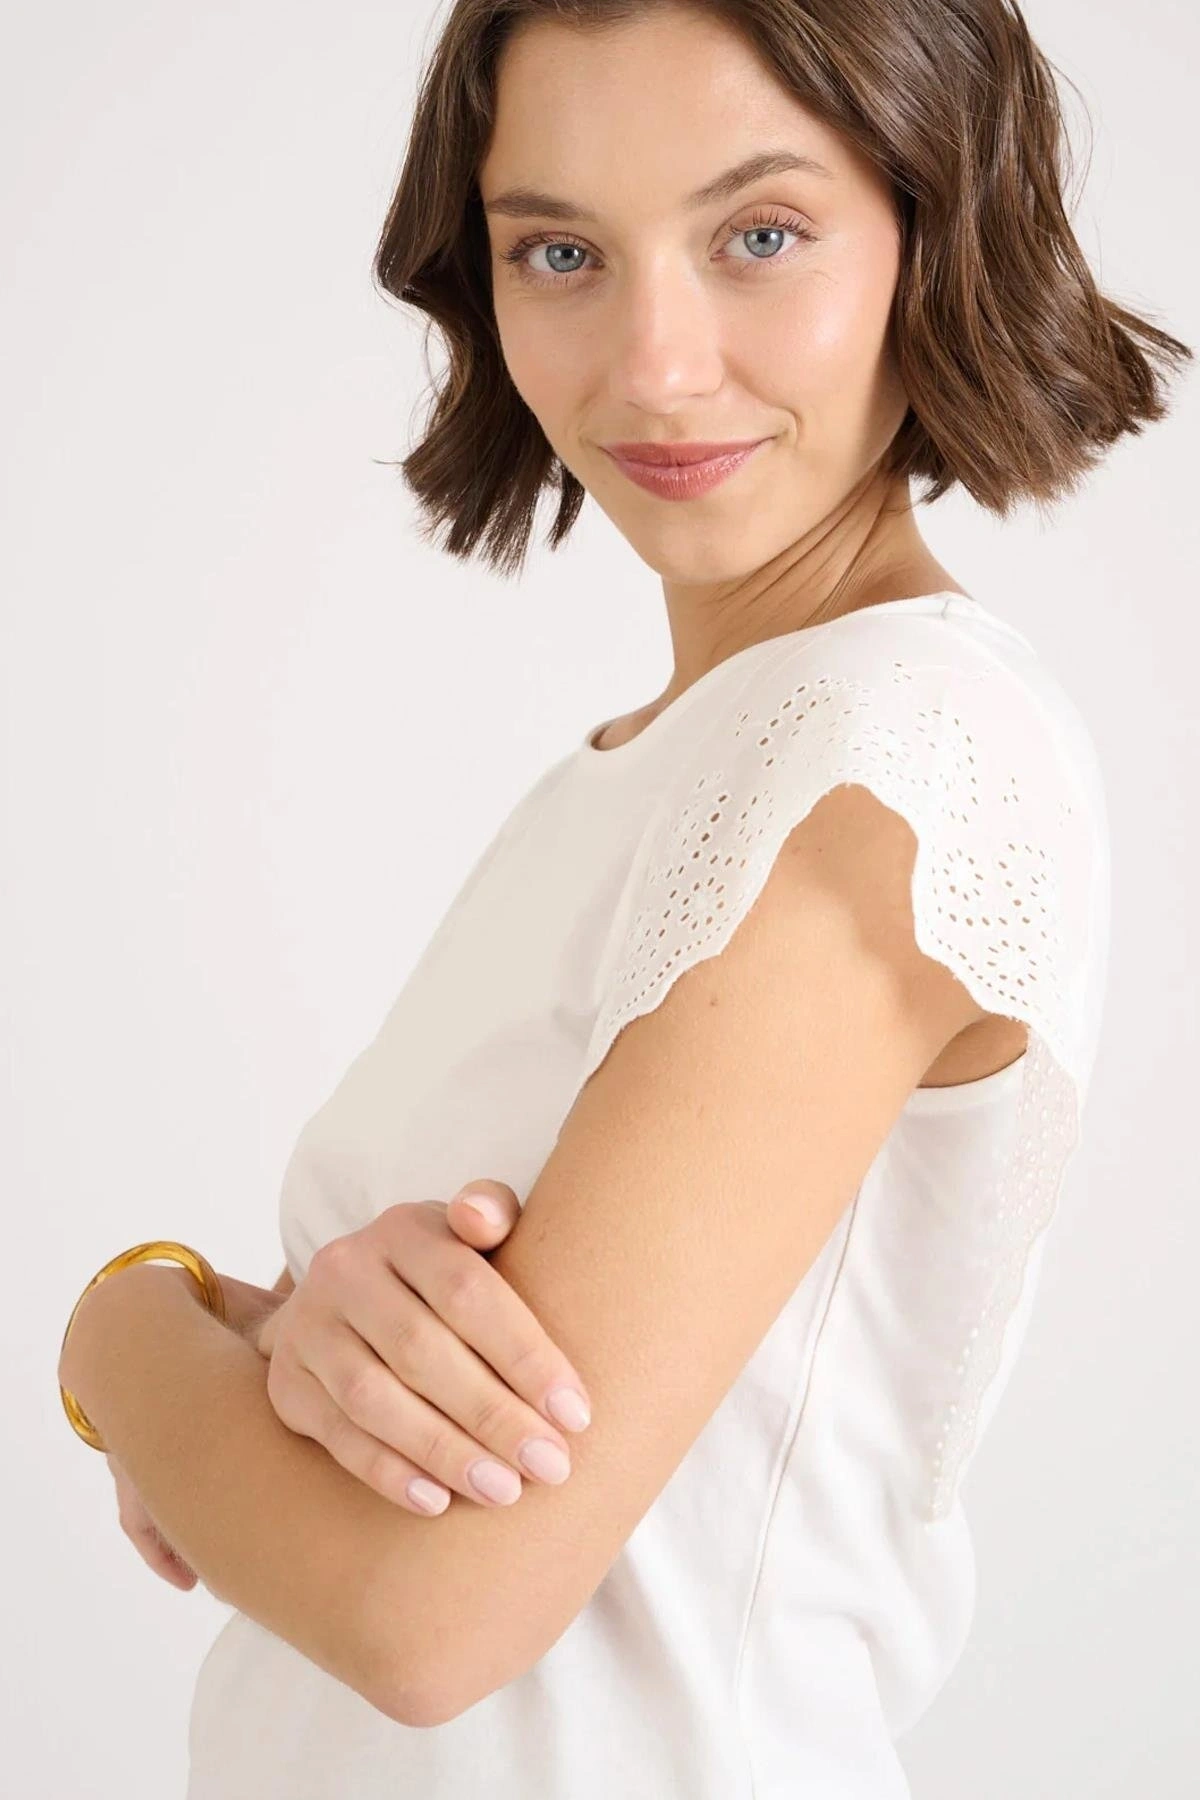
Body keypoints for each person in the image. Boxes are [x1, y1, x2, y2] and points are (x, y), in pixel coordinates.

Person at [180, 2, 1188, 1794]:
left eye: (760, 235)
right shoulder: (655, 766)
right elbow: (319, 1444)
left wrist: (123, 1337)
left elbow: (426, 1615)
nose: (652, 367)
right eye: (560, 252)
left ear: (936, 227)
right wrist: (267, 1351)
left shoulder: (890, 756)